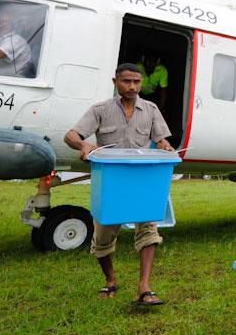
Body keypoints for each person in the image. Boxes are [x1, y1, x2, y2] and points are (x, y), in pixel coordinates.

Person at [64, 63, 175, 305]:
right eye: (126, 81)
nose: (132, 86)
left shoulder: (151, 109)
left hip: (142, 179)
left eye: (136, 82)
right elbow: (71, 135)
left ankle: (144, 287)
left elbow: (161, 138)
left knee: (148, 229)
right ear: (115, 82)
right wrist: (83, 145)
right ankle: (110, 279)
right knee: (103, 235)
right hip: (111, 181)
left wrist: (165, 146)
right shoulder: (100, 109)